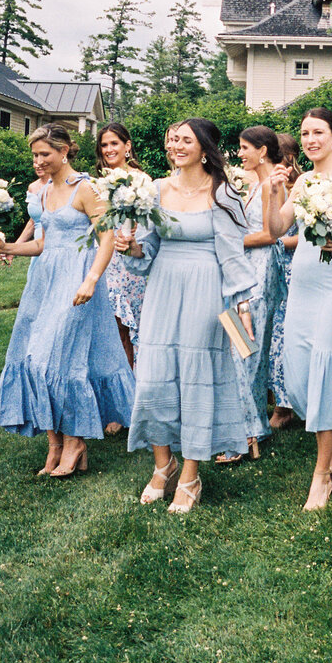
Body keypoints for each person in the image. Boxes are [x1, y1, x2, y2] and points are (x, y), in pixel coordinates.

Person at [115, 118, 257, 512]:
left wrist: (242, 305)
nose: (175, 146)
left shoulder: (223, 192)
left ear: (205, 147)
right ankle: (164, 465)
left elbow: (233, 255)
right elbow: (149, 247)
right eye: (172, 139)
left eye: (185, 140)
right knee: (154, 373)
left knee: (196, 378)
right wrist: (131, 248)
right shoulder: (156, 189)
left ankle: (191, 475)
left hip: (205, 290)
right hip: (162, 287)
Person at [0, 123, 134, 477]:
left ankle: (75, 443)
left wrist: (91, 278)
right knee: (34, 357)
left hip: (76, 281)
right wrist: (7, 247)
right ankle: (55, 444)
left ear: (64, 150)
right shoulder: (42, 192)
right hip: (43, 282)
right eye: (35, 155)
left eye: (45, 154)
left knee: (62, 360)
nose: (38, 161)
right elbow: (42, 243)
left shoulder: (86, 188)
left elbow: (108, 237)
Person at [267, 107, 332, 510]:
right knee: (298, 369)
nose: (310, 140)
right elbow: (277, 230)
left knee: (326, 367)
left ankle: (321, 474)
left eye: (318, 133)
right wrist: (275, 191)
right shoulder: (303, 181)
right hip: (304, 282)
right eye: (304, 133)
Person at [218, 125, 286, 463]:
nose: (240, 153)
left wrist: (228, 242)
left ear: (263, 150)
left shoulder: (271, 185)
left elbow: (270, 234)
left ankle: (246, 433)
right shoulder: (252, 183)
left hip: (259, 274)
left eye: (245, 148)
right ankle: (253, 425)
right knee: (243, 348)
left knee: (245, 352)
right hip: (240, 273)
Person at [96, 123, 146, 393]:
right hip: (106, 259)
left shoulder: (139, 180)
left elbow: (148, 224)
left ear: (127, 146)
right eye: (104, 145)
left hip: (132, 260)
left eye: (114, 143)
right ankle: (120, 395)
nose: (109, 149)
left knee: (128, 328)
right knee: (112, 330)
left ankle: (133, 395)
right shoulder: (100, 182)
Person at [268, 133, 302, 431]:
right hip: (273, 270)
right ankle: (280, 399)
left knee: (285, 338)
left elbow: (303, 233)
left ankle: (285, 406)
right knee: (273, 339)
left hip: (295, 272)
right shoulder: (272, 186)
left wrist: (277, 244)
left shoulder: (299, 188)